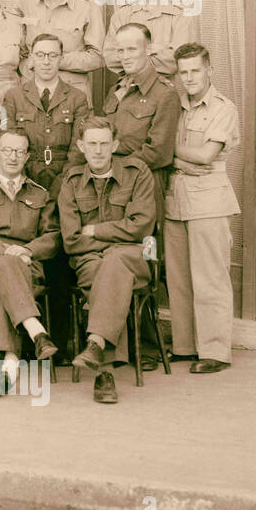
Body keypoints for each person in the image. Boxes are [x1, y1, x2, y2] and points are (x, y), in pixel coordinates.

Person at [58, 117, 157, 405]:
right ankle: (103, 368)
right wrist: (117, 234)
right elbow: (71, 240)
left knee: (114, 261)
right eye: (92, 144)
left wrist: (97, 230)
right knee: (109, 273)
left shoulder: (137, 173)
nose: (98, 150)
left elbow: (142, 227)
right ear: (81, 146)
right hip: (88, 261)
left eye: (104, 143)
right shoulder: (72, 181)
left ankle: (98, 349)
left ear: (115, 144)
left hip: (135, 257)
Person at [0, 130, 63, 396]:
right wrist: (8, 251)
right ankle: (37, 331)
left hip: (27, 263)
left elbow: (52, 236)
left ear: (28, 156)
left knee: (4, 288)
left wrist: (27, 249)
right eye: (7, 150)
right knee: (8, 266)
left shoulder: (40, 194)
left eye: (19, 151)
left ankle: (9, 366)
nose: (13, 156)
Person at [166, 44, 241, 374]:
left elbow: (206, 156)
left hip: (209, 200)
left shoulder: (224, 108)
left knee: (210, 277)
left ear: (209, 70)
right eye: (183, 72)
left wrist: (169, 153)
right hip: (174, 199)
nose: (189, 78)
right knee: (178, 277)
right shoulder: (174, 106)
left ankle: (214, 351)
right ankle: (184, 346)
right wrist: (178, 157)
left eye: (195, 70)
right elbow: (177, 154)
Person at [103, 21, 181, 215]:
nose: (125, 56)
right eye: (120, 51)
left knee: (147, 244)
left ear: (149, 50)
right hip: (111, 183)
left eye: (131, 49)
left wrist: (112, 167)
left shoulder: (164, 93)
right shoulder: (116, 90)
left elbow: (158, 152)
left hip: (144, 182)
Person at [0, 32, 91, 194]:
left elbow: (79, 147)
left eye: (53, 55)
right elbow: (6, 143)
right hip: (24, 177)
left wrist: (64, 182)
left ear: (61, 59)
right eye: (40, 55)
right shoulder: (13, 96)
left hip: (65, 178)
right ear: (32, 59)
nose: (46, 62)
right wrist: (23, 181)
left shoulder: (77, 97)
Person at [19, 0, 103, 98]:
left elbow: (97, 58)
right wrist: (28, 67)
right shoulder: (26, 2)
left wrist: (54, 60)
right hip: (32, 95)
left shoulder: (87, 5)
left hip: (73, 95)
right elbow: (20, 52)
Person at [103, 0, 199, 79]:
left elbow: (180, 60)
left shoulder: (180, 15)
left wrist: (133, 58)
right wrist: (158, 51)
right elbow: (110, 57)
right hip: (130, 90)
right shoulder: (122, 16)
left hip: (167, 91)